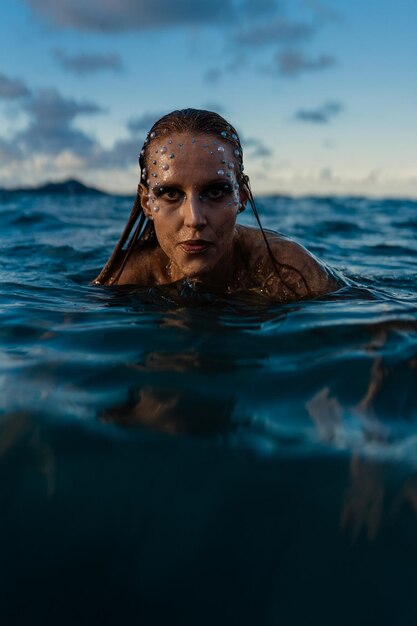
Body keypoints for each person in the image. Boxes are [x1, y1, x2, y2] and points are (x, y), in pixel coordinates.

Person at [94, 108, 338, 300]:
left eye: (215, 192)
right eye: (171, 194)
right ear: (147, 203)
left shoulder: (287, 270)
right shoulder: (128, 279)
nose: (194, 219)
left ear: (240, 197)